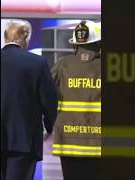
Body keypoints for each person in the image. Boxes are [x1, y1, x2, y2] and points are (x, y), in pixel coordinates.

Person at [1, 19, 58, 180]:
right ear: (25, 39)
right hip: (24, 141)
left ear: (6, 37)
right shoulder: (36, 63)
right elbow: (49, 99)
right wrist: (49, 125)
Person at [51, 20, 102, 180]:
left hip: (67, 139)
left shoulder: (61, 65)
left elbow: (47, 95)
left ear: (75, 44)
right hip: (98, 140)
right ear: (98, 43)